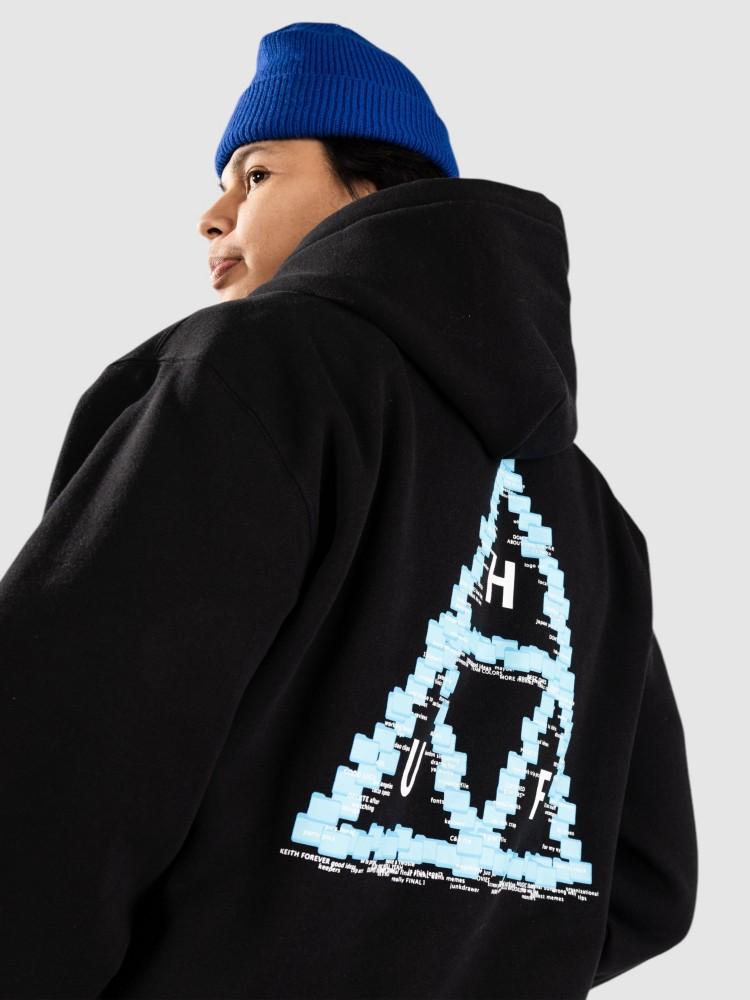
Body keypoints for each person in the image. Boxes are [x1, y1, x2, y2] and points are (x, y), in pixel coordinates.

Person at [0, 20, 697, 1000]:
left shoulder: (251, 380)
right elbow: (649, 879)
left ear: (371, 191)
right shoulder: (591, 512)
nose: (212, 215)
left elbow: (62, 761)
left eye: (255, 175)